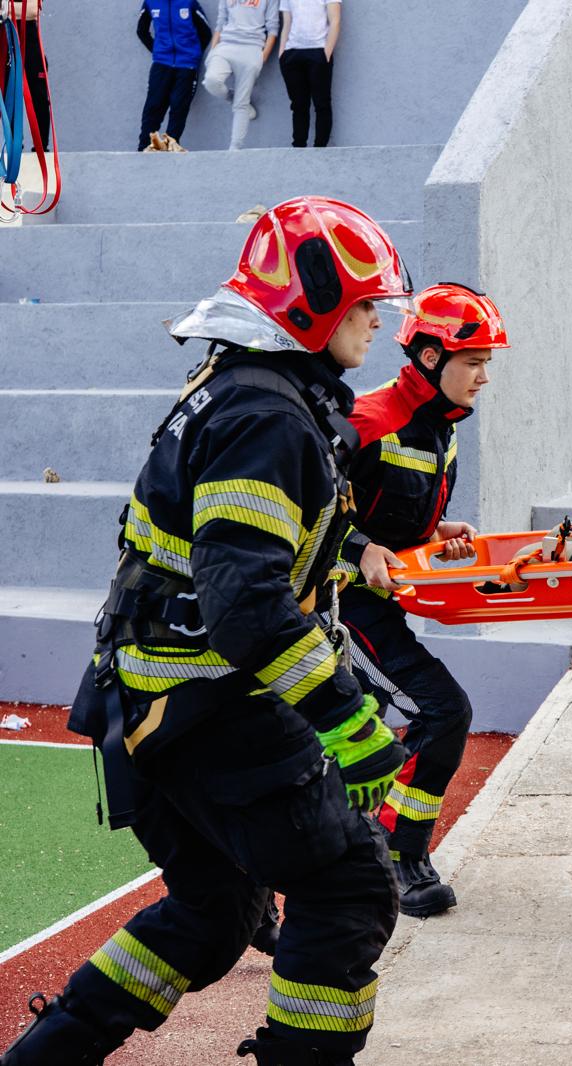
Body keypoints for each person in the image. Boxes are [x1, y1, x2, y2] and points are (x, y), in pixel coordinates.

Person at [1, 197, 414, 1066]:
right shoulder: (267, 418)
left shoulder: (246, 392)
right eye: (366, 305)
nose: (377, 322)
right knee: (346, 889)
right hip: (208, 704)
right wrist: (347, 720)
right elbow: (248, 605)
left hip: (151, 699)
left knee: (213, 911)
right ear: (313, 305)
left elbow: (239, 564)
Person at [334, 283, 507, 917]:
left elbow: (382, 507)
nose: (484, 376)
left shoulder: (441, 425)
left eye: (488, 361)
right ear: (431, 358)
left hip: (375, 605)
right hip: (335, 608)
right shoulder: (370, 421)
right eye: (474, 361)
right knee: (441, 712)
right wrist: (357, 552)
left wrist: (431, 532)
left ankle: (377, 845)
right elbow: (307, 506)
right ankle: (396, 853)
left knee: (396, 724)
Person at [201, 0, 280, 151]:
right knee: (211, 81)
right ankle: (231, 97)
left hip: (252, 48)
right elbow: (220, 23)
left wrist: (261, 58)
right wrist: (212, 51)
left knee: (242, 103)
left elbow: (273, 29)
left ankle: (235, 149)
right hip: (226, 46)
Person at [135, 0, 212, 152]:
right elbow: (141, 31)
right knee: (153, 106)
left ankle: (171, 146)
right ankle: (144, 147)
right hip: (161, 64)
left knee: (179, 106)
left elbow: (206, 32)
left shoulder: (189, 2)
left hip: (187, 65)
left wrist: (193, 55)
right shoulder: (151, 2)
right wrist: (158, 51)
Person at [277, 0, 338, 148]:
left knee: (321, 103)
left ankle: (320, 148)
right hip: (292, 54)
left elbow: (335, 20)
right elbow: (287, 23)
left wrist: (326, 54)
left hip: (318, 51)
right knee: (298, 105)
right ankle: (298, 148)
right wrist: (282, 54)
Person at [15, 0, 49, 152]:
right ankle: (14, 143)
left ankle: (41, 146)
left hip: (30, 36)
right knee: (10, 92)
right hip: (8, 33)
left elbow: (31, 10)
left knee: (39, 94)